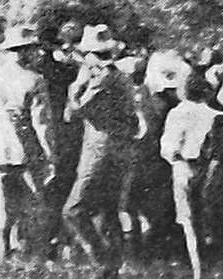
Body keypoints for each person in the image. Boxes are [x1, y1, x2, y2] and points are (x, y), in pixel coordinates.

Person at [62, 24, 144, 279]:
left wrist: (74, 88)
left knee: (73, 210)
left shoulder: (103, 77)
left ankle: (103, 261)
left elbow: (73, 113)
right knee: (108, 212)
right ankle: (113, 269)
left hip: (101, 150)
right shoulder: (116, 75)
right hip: (118, 149)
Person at [0, 24, 55, 262]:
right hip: (26, 152)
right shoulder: (34, 79)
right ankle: (35, 261)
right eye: (32, 49)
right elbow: (42, 124)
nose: (36, 54)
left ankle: (1, 258)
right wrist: (51, 156)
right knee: (34, 209)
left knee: (0, 208)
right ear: (23, 51)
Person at [162, 71, 222, 279]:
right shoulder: (213, 114)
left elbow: (169, 147)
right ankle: (216, 267)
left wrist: (173, 156)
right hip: (208, 169)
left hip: (184, 167)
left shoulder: (178, 113)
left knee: (190, 221)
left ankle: (199, 270)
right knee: (208, 217)